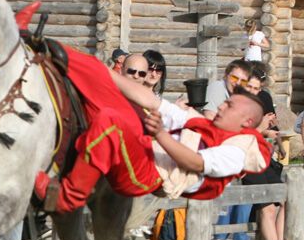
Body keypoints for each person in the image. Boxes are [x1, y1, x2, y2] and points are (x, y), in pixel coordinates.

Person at [33, 47, 271, 214]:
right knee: (103, 86)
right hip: (146, 151)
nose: (220, 105)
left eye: (228, 105)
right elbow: (152, 101)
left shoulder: (238, 151)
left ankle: (67, 198)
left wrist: (160, 135)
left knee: (110, 120)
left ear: (247, 122)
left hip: (150, 174)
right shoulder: (202, 123)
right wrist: (106, 75)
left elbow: (197, 163)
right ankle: (37, 45)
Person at [203, 60, 253, 240]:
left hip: (232, 147)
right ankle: (223, 232)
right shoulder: (217, 89)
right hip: (215, 146)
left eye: (242, 80)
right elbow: (210, 118)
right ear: (226, 75)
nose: (237, 82)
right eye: (234, 77)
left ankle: (228, 233)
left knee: (238, 187)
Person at [240, 80, 285, 240]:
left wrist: (273, 134)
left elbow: (266, 131)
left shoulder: (261, 101)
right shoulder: (238, 105)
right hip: (248, 159)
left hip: (264, 158)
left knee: (285, 200)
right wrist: (263, 128)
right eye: (250, 86)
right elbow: (241, 134)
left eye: (257, 88)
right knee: (267, 207)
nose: (254, 91)